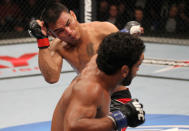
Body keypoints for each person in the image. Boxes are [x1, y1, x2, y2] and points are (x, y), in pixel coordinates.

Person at [28, 2, 144, 130]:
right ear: (51, 33)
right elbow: (51, 78)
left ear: (73, 15)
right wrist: (42, 40)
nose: (69, 32)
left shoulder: (102, 29)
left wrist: (126, 37)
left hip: (116, 95)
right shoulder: (58, 47)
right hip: (89, 97)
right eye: (60, 31)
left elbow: (128, 62)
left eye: (68, 23)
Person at [51, 32, 145, 131]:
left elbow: (112, 46)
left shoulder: (102, 60)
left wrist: (128, 37)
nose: (137, 71)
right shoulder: (91, 89)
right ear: (125, 70)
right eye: (137, 66)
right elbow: (72, 126)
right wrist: (118, 119)